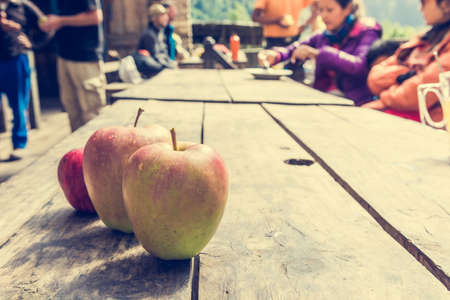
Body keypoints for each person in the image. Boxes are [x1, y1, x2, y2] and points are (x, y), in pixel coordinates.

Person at [259, 0, 381, 106]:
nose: (323, 16)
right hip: (326, 99)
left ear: (347, 9)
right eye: (320, 10)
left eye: (329, 10)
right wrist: (276, 55)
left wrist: (318, 54)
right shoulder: (324, 35)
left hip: (356, 102)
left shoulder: (367, 32)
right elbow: (294, 48)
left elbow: (359, 65)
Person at [363, 0, 450, 123]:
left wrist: (384, 95)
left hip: (427, 124)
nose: (420, 9)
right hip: (395, 115)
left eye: (424, 3)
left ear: (446, 4)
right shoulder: (422, 39)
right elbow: (374, 78)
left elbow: (419, 94)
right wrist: (407, 74)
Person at [39, 0, 106, 132]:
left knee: (92, 115)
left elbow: (95, 17)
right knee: (72, 112)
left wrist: (60, 21)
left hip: (85, 57)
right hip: (64, 56)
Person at [0, 0, 46, 160]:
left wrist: (33, 44)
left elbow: (46, 25)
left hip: (16, 60)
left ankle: (19, 144)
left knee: (19, 105)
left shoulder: (22, 5)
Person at [252, 0, 318, 48]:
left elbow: (317, 5)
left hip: (294, 39)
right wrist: (277, 20)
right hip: (273, 41)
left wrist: (304, 26)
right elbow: (255, 17)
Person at [137, 3, 176, 74]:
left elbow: (164, 53)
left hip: (163, 67)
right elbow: (156, 58)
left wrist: (172, 63)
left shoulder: (160, 33)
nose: (166, 18)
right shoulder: (149, 35)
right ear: (154, 18)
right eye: (162, 15)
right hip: (154, 72)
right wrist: (170, 66)